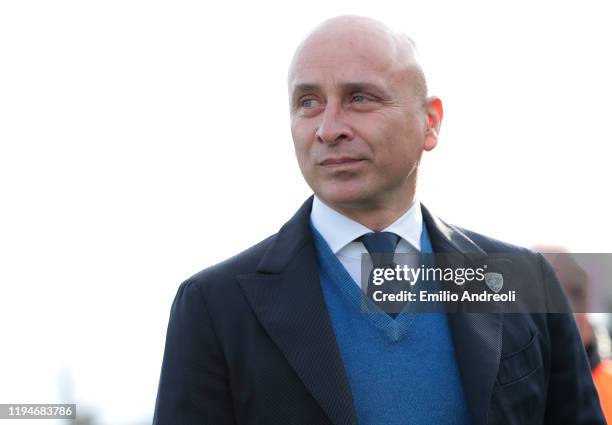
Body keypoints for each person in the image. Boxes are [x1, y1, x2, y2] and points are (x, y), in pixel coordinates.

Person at [152, 15, 605, 425]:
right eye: (308, 102)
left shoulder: (524, 283)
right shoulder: (215, 307)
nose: (329, 128)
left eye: (360, 98)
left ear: (430, 122)